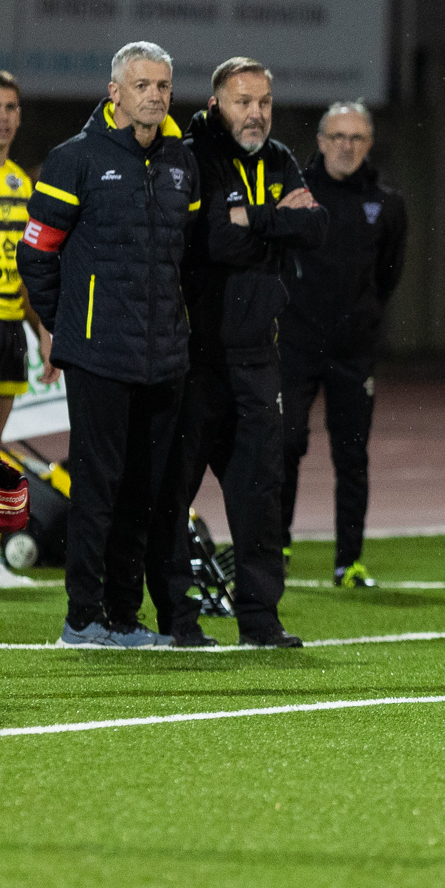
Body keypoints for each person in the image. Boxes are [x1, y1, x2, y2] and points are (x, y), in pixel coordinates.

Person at [17, 42, 200, 645]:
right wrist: (66, 323)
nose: (155, 95)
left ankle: (123, 616)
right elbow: (36, 253)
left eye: (164, 85)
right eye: (143, 85)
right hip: (99, 353)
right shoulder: (75, 160)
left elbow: (189, 258)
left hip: (164, 354)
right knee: (99, 487)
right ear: (115, 92)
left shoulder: (181, 164)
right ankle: (82, 617)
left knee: (145, 492)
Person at [148, 57, 328, 648]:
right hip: (196, 357)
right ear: (216, 103)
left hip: (256, 356)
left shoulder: (277, 157)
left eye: (265, 102)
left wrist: (252, 217)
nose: (256, 112)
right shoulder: (195, 154)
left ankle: (259, 618)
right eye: (243, 101)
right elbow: (214, 240)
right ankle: (179, 621)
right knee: (174, 492)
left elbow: (317, 227)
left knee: (259, 493)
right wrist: (275, 223)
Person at [280, 100, 407, 588]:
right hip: (294, 343)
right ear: (320, 141)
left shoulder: (386, 202)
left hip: (353, 351)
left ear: (369, 144)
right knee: (286, 444)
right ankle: (278, 546)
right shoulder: (294, 194)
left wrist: (361, 317)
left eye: (356, 138)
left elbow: (388, 275)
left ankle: (348, 561)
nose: (346, 146)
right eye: (337, 137)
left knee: (352, 455)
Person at [0, 70, 59, 587]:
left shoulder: (21, 184)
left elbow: (31, 266)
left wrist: (42, 326)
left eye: (12, 107)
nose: (3, 117)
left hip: (8, 332)